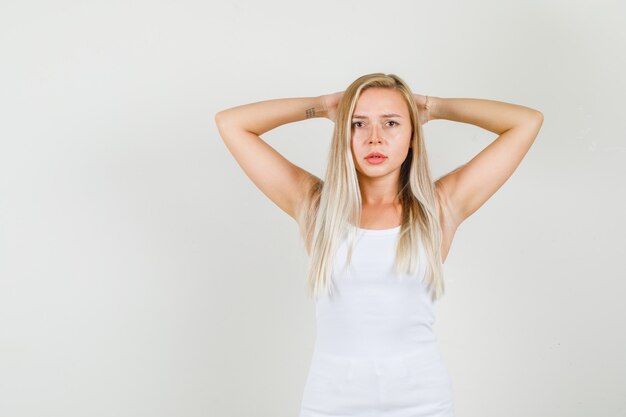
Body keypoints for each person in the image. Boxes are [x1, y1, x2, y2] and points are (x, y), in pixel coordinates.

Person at [214, 73, 544, 417]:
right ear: (344, 134)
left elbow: (525, 122)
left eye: (391, 123)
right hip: (330, 404)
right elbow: (232, 124)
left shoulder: (438, 208)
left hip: (423, 404)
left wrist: (432, 107)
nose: (375, 138)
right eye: (358, 124)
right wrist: (327, 106)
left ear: (413, 134)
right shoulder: (317, 208)